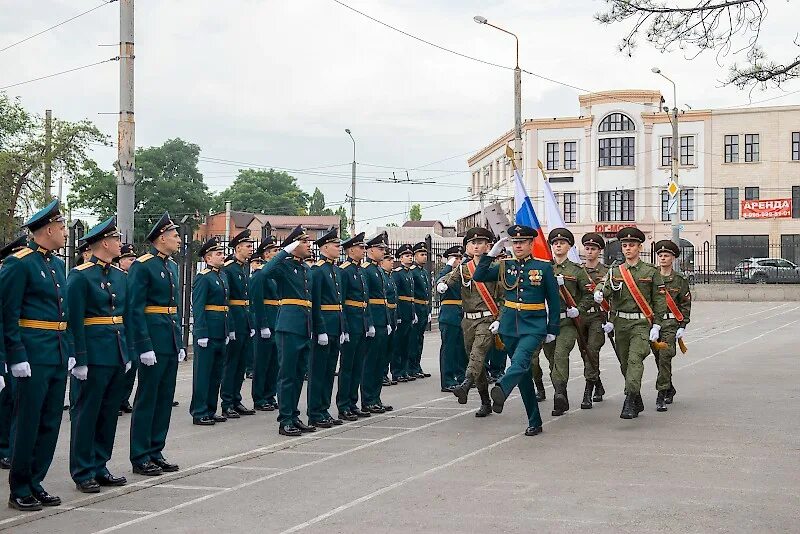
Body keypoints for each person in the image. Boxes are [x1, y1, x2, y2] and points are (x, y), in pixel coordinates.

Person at [2, 199, 70, 511]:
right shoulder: (20, 263)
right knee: (27, 422)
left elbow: (63, 312)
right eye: (63, 227)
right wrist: (15, 355)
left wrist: (67, 349)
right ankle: (19, 488)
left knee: (50, 421)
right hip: (32, 354)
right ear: (48, 229)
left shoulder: (56, 264)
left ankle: (36, 481)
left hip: (55, 352)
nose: (66, 232)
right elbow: (7, 313)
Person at [472, 224, 560, 436]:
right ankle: (535, 420)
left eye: (522, 242)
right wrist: (491, 253)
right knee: (523, 375)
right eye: (515, 242)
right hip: (510, 326)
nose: (518, 246)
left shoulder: (544, 267)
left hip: (534, 326)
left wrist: (552, 328)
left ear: (531, 244)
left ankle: (501, 387)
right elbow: (479, 276)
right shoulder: (505, 265)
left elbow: (554, 300)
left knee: (520, 362)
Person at [67, 217, 131, 492]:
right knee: (87, 413)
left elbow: (123, 316)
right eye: (116, 240)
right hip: (93, 353)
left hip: (115, 352)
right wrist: (79, 359)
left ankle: (100, 464)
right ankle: (83, 470)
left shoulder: (119, 276)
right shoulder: (81, 276)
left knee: (108, 413)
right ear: (104, 243)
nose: (120, 244)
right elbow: (74, 319)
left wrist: (126, 352)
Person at [127, 212, 184, 476]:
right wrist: (144, 344)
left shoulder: (171, 266)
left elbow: (175, 309)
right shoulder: (143, 265)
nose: (179, 240)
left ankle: (155, 449)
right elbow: (135, 308)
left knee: (164, 398)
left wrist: (180, 341)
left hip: (169, 338)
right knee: (148, 398)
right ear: (162, 238)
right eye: (175, 236)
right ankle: (140, 455)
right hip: (153, 339)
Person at [595, 227, 666, 420]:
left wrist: (657, 325)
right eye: (624, 245)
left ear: (639, 247)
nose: (627, 248)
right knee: (624, 363)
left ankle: (629, 399)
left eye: (632, 245)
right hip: (620, 324)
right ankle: (637, 397)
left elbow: (659, 301)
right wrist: (600, 291)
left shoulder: (650, 272)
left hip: (641, 324)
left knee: (635, 360)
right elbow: (606, 287)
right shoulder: (615, 271)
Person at [436, 228, 503, 417]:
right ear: (467, 246)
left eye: (480, 242)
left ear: (488, 246)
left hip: (487, 319)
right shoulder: (464, 268)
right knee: (477, 361)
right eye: (472, 243)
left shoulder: (496, 268)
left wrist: (499, 319)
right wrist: (442, 284)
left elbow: (503, 296)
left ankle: (465, 384)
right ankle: (484, 401)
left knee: (478, 352)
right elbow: (448, 279)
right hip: (467, 321)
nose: (476, 246)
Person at [260, 225, 316, 436]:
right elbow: (266, 271)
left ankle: (293, 414)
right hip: (289, 326)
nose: (309, 245)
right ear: (294, 245)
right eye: (304, 242)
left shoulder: (306, 269)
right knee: (287, 374)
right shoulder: (283, 266)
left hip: (304, 326)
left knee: (299, 373)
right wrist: (284, 251)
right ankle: (285, 420)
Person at [531, 228, 592, 417]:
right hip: (547, 322)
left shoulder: (577, 270)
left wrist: (578, 310)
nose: (558, 245)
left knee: (560, 355)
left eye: (562, 243)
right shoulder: (542, 268)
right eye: (555, 243)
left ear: (569, 246)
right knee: (549, 360)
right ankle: (558, 390)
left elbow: (588, 294)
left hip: (566, 322)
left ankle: (558, 394)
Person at [307, 229, 347, 428]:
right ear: (324, 248)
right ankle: (315, 412)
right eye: (336, 245)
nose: (339, 248)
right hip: (324, 326)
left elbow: (341, 303)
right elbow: (315, 303)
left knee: (330, 370)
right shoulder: (318, 270)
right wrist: (319, 328)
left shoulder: (336, 270)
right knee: (318, 371)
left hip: (335, 325)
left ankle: (324, 409)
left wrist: (343, 327)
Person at [189, 237, 230, 426]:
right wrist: (201, 332)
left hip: (220, 330)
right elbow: (198, 307)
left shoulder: (221, 276)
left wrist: (227, 330)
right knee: (203, 373)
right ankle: (199, 411)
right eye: (218, 254)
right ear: (208, 258)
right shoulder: (203, 278)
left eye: (222, 253)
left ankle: (211, 409)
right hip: (208, 331)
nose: (222, 256)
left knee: (216, 373)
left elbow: (225, 306)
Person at [220, 230, 256, 419]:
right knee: (231, 363)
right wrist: (231, 326)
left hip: (244, 319)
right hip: (234, 318)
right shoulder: (229, 268)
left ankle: (236, 398)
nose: (251, 250)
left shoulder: (243, 268)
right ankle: (227, 402)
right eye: (248, 246)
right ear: (237, 248)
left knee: (241, 363)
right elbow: (227, 299)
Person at [651, 239, 691, 412]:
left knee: (666, 355)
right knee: (658, 358)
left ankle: (661, 394)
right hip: (654, 323)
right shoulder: (651, 277)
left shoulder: (680, 280)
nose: (662, 258)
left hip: (671, 322)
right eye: (660, 255)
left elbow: (685, 303)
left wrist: (683, 325)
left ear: (673, 258)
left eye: (666, 255)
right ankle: (669, 386)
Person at [337, 233, 373, 421]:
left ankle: (353, 402)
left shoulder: (361, 271)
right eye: (361, 248)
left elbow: (365, 300)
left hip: (361, 322)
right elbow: (341, 301)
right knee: (347, 366)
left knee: (358, 365)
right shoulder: (344, 271)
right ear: (351, 250)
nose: (364, 250)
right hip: (350, 322)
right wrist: (344, 327)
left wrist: (369, 323)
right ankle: (343, 405)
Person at [0, 235, 27, 472]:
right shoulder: (12, 271)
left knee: (12, 400)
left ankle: (8, 448)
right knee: (7, 402)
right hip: (11, 345)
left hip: (18, 344)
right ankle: (4, 447)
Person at [361, 233, 393, 414]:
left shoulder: (379, 270)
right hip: (373, 320)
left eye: (384, 249)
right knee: (370, 362)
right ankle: (367, 399)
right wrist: (370, 323)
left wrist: (387, 321)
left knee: (380, 361)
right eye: (380, 249)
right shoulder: (366, 270)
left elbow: (384, 298)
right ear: (370, 250)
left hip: (383, 320)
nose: (383, 252)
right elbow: (366, 299)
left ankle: (376, 398)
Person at [580, 232, 611, 407]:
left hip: (598, 317)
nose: (589, 252)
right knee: (585, 353)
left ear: (599, 251)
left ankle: (588, 391)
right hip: (580, 317)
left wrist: (611, 320)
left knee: (592, 350)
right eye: (587, 248)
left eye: (593, 249)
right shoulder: (578, 270)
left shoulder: (606, 272)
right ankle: (597, 383)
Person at [249, 237, 280, 412]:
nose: (277, 254)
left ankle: (270, 394)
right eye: (274, 251)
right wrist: (262, 324)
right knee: (262, 362)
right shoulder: (260, 274)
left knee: (274, 362)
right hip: (266, 321)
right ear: (267, 254)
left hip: (277, 320)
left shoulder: (275, 273)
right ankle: (259, 397)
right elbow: (257, 302)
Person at [435, 245, 466, 393]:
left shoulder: (463, 273)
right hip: (450, 314)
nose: (457, 261)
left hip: (462, 313)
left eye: (460, 258)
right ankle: (447, 381)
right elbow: (439, 281)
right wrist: (448, 266)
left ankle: (462, 377)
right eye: (454, 258)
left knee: (462, 348)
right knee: (449, 349)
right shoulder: (445, 274)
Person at [116, 243, 138, 415]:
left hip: (133, 326)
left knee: (133, 365)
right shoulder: (118, 277)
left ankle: (124, 399)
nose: (133, 262)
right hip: (119, 326)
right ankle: (116, 400)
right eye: (130, 259)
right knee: (122, 365)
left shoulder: (133, 277)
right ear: (120, 262)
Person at [390, 244, 416, 383]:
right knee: (398, 344)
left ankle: (404, 370)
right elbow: (396, 295)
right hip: (401, 310)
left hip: (409, 311)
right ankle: (396, 371)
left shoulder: (409, 272)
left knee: (407, 343)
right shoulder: (398, 273)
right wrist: (398, 314)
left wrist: (413, 313)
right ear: (400, 258)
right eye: (407, 256)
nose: (410, 258)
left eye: (411, 255)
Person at [409, 242, 432, 378]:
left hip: (423, 307)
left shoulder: (423, 272)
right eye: (421, 254)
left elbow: (427, 292)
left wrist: (428, 310)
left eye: (425, 255)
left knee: (419, 340)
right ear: (415, 256)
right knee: (413, 340)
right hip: (416, 307)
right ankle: (411, 367)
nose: (424, 257)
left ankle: (417, 366)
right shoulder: (412, 272)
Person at [381, 249, 399, 387]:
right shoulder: (381, 275)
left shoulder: (390, 276)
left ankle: (385, 373)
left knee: (390, 346)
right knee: (383, 347)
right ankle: (381, 374)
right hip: (385, 313)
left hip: (392, 313)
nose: (392, 262)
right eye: (389, 260)